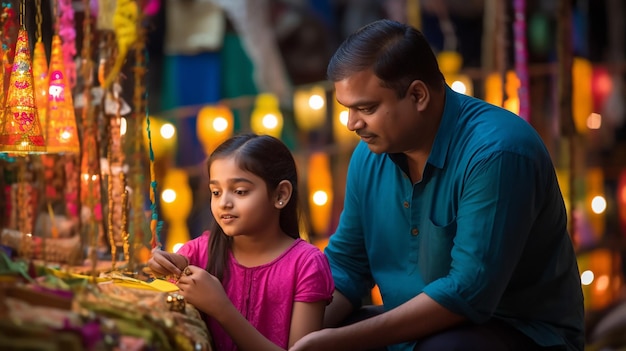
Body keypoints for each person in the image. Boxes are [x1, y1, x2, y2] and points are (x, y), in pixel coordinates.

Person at [290, 19, 584, 351]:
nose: (351, 124)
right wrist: (297, 339)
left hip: (516, 332)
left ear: (418, 95)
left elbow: (468, 291)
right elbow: (347, 266)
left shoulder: (498, 152)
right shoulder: (368, 156)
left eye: (366, 108)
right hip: (414, 329)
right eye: (348, 109)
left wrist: (336, 342)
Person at [148, 133, 334, 351]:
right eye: (216, 192)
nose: (224, 203)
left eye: (240, 191)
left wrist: (221, 308)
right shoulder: (198, 254)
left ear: (280, 194)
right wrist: (165, 267)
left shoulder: (306, 265)